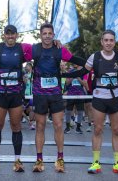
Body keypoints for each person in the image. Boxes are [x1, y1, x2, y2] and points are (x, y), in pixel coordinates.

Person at [62, 30, 118, 175]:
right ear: (102, 42)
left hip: (115, 97)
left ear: (114, 42)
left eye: (111, 40)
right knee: (98, 129)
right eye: (106, 40)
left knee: (116, 130)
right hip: (99, 97)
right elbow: (81, 72)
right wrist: (64, 75)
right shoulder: (95, 57)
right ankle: (95, 162)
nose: (109, 43)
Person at [31, 23, 85, 173]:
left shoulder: (60, 49)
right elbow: (16, 55)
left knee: (58, 125)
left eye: (50, 33)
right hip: (39, 93)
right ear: (40, 35)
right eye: (44, 33)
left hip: (55, 93)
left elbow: (75, 59)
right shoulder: (34, 49)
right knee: (40, 126)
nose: (47, 36)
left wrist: (91, 63)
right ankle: (39, 160)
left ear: (54, 35)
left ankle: (60, 159)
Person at [0, 25, 33, 173]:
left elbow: (40, 49)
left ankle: (17, 161)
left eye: (13, 35)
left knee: (16, 126)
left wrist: (54, 42)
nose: (10, 37)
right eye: (8, 34)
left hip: (16, 94)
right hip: (0, 93)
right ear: (4, 35)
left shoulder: (22, 47)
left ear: (17, 35)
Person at [63, 65, 87, 135]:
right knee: (68, 111)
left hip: (80, 95)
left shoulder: (84, 73)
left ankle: (78, 128)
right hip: (71, 94)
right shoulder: (70, 72)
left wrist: (78, 78)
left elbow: (84, 83)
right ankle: (67, 127)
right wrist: (73, 77)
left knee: (80, 111)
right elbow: (67, 83)